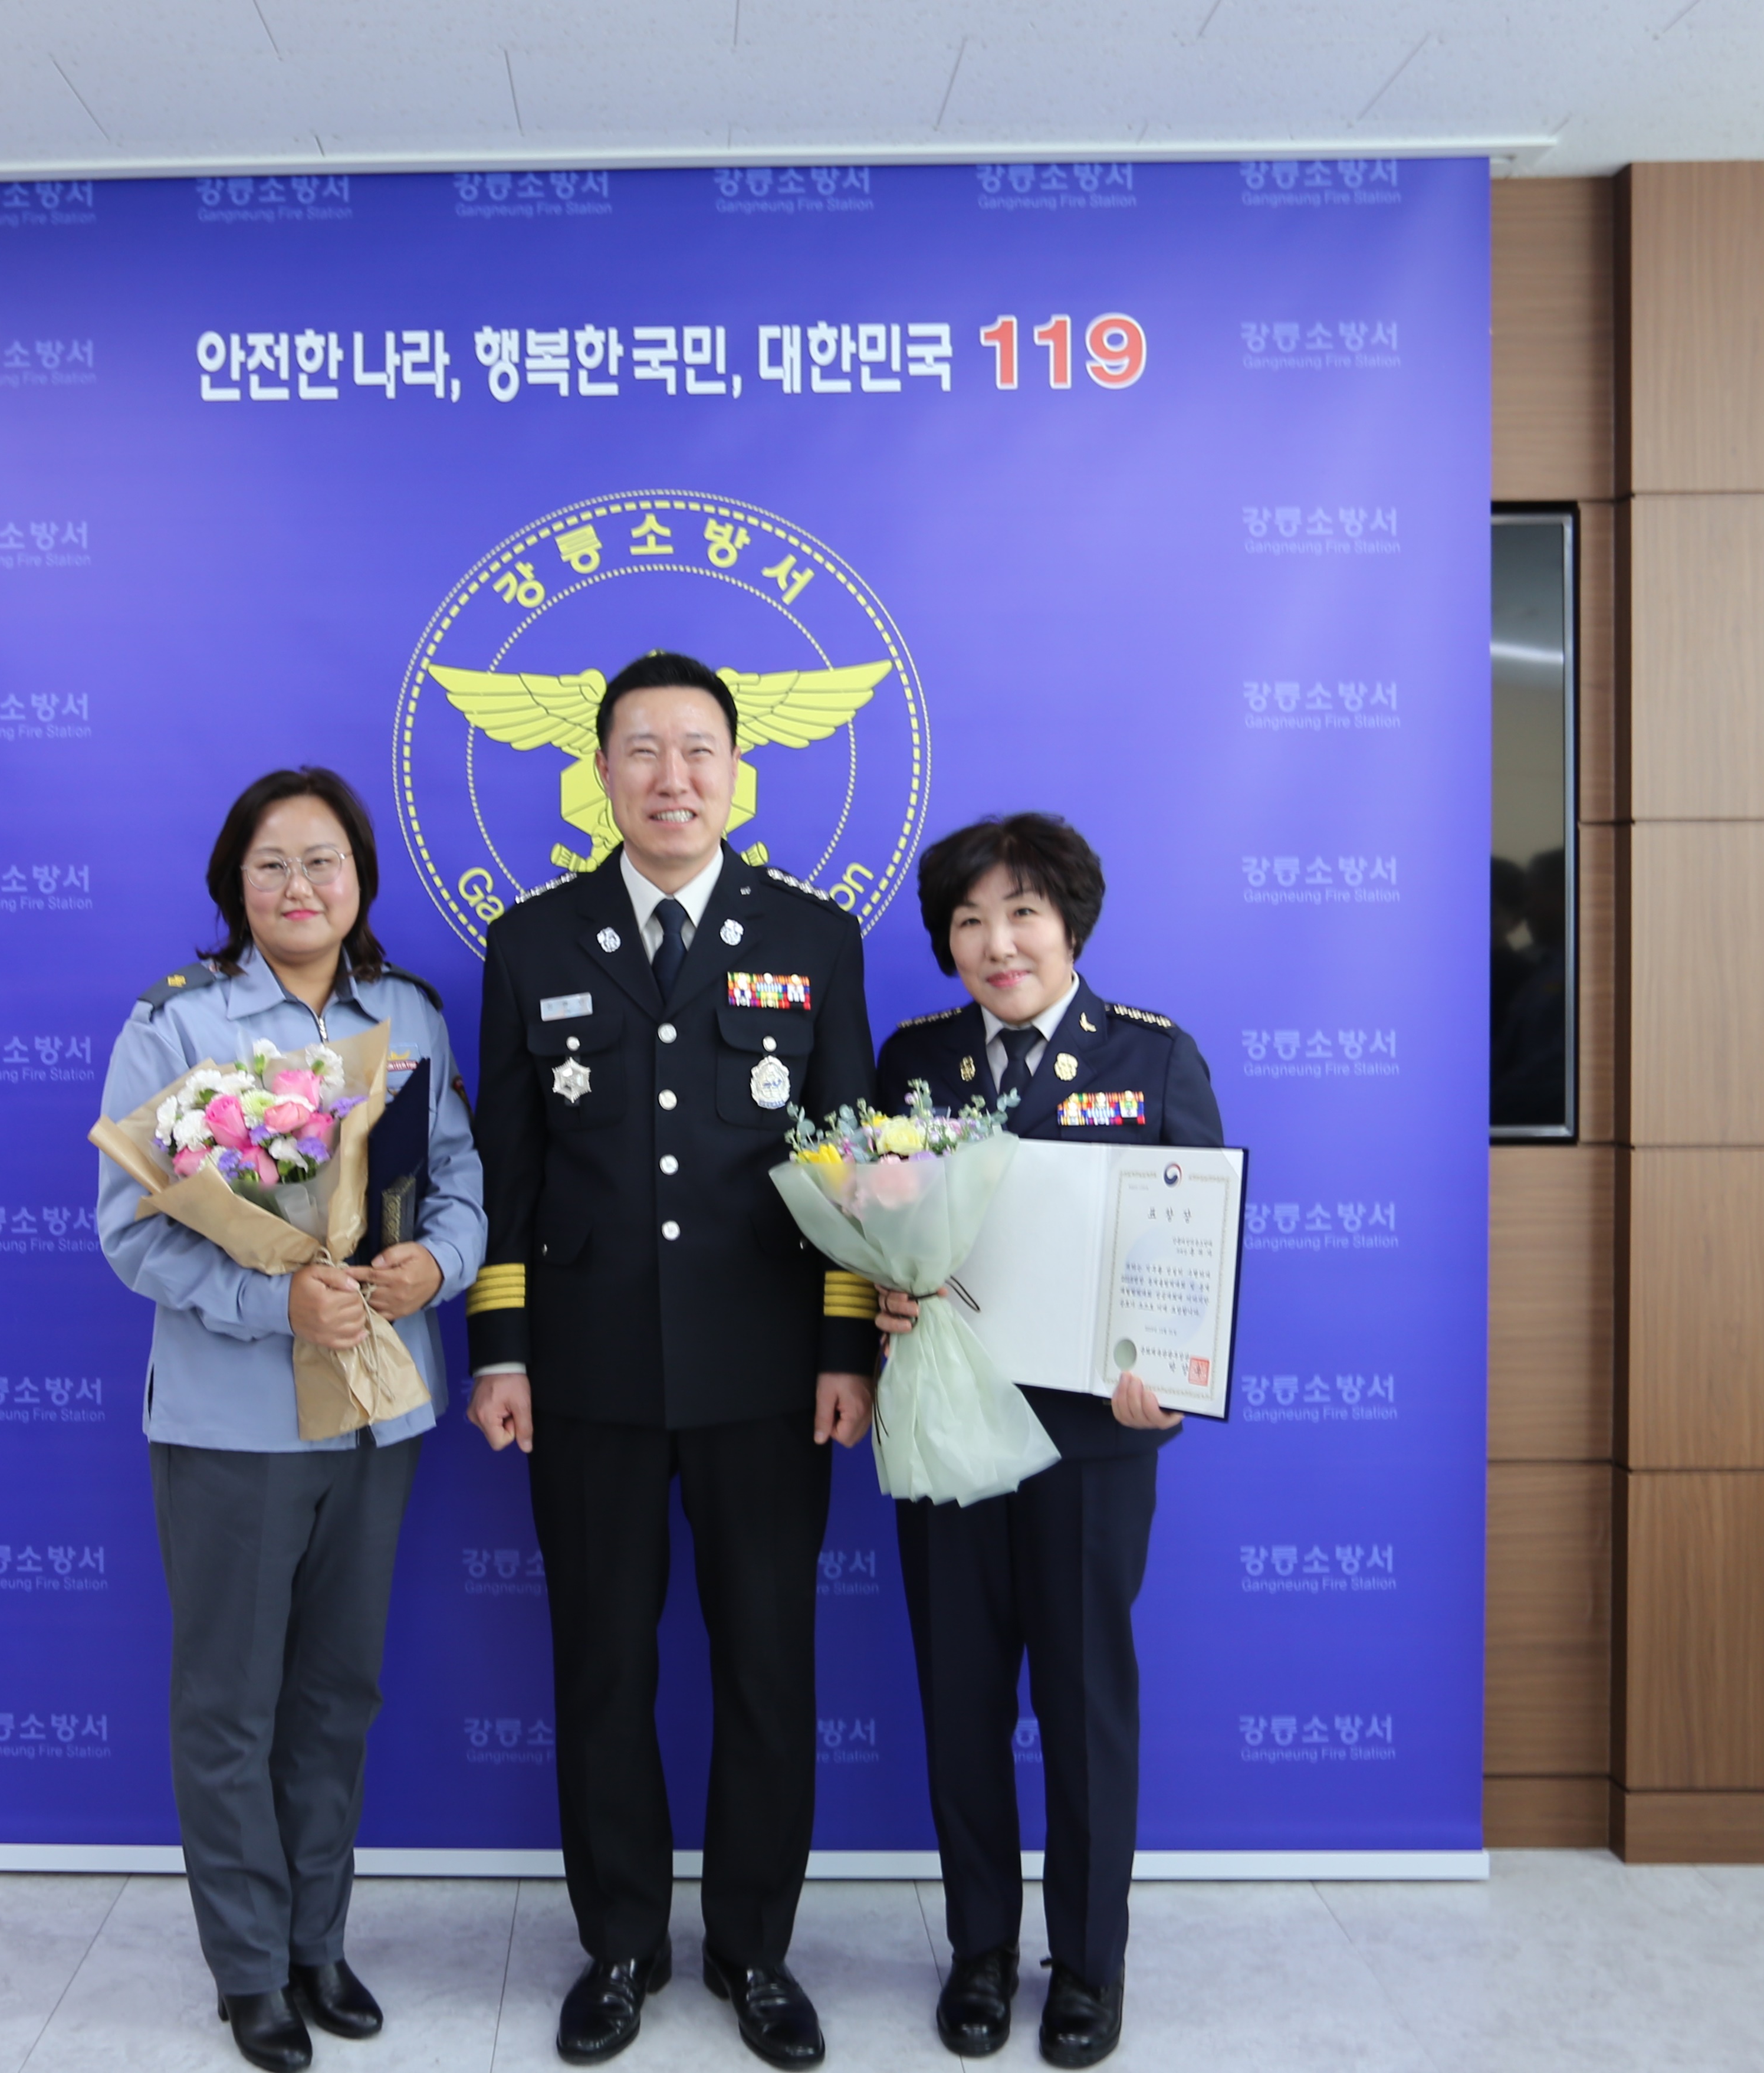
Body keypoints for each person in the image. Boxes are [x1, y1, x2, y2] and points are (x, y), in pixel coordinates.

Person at [465, 652, 880, 2069]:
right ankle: (622, 1943)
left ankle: (755, 1948)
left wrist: (845, 1345)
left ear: (738, 772)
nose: (673, 776)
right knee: (601, 1665)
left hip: (769, 1374)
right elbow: (508, 1171)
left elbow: (851, 1164)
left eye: (699, 748)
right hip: (584, 1373)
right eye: (642, 749)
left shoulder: (816, 938)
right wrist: (503, 1349)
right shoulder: (531, 941)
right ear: (600, 774)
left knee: (769, 1665)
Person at [97, 767, 487, 2073]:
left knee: (337, 1692)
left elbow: (458, 1181)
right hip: (233, 1422)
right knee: (230, 1701)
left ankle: (320, 1940)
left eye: (324, 861)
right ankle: (251, 1967)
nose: (300, 885)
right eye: (272, 864)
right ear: (235, 884)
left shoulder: (408, 1015)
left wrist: (438, 1264)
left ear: (360, 878)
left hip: (376, 1408)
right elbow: (135, 1233)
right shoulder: (180, 1022)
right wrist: (279, 1303)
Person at [873, 813, 1221, 2070]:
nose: (997, 942)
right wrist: (882, 1296)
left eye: (1021, 912)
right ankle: (978, 1949)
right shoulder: (913, 1061)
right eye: (969, 921)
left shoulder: (1150, 1054)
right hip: (948, 1428)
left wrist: (1171, 1379)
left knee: (1082, 1706)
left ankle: (1087, 1962)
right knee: (960, 1699)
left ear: (1070, 923)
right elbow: (871, 1229)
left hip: (1091, 1444)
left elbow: (1195, 1251)